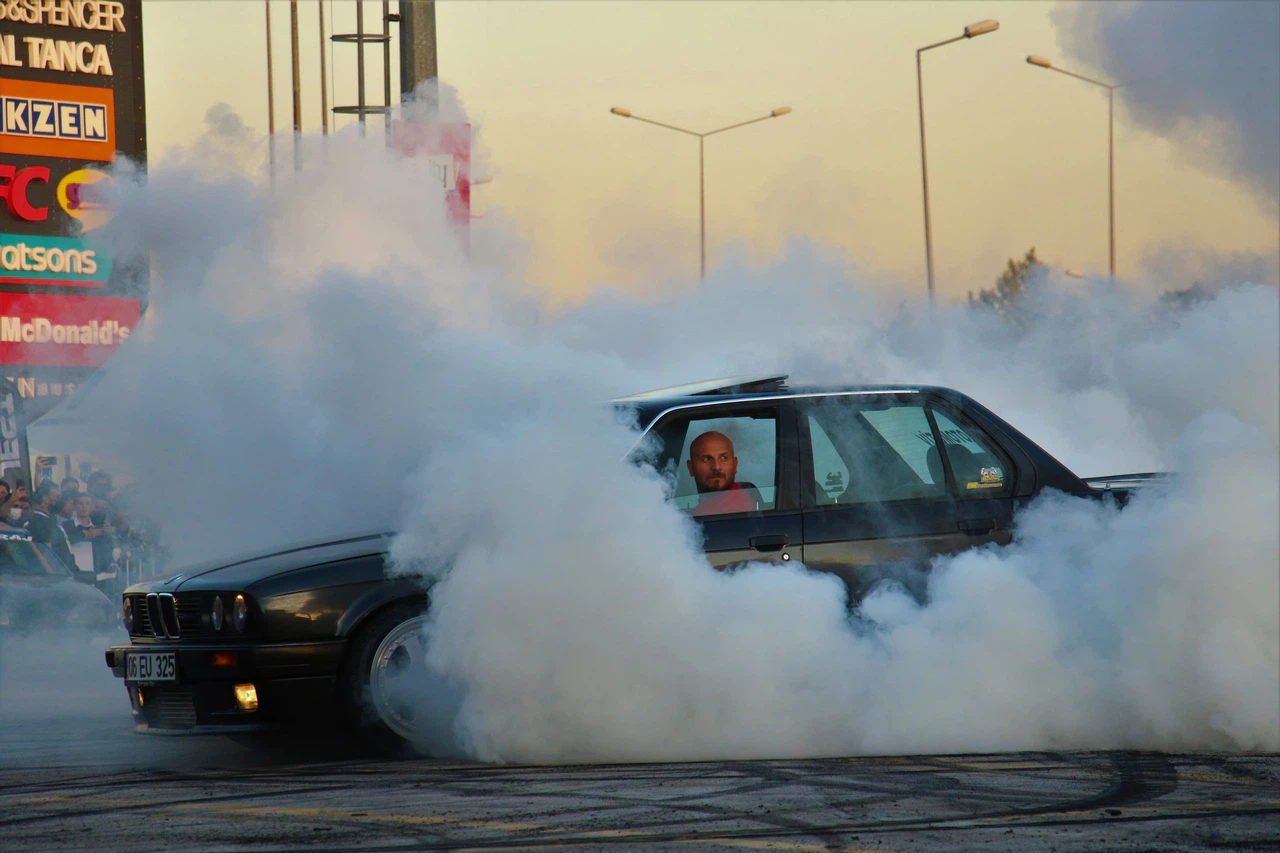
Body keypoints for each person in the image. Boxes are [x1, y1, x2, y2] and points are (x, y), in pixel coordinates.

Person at [686, 431, 759, 517]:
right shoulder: (707, 510)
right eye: (706, 459)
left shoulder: (732, 511)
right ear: (691, 467)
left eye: (724, 458)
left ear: (735, 465)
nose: (716, 467)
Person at [25, 483, 78, 573]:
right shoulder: (40, 522)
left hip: (67, 571)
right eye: (57, 497)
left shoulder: (50, 519)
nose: (60, 501)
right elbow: (44, 553)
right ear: (45, 499)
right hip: (57, 575)